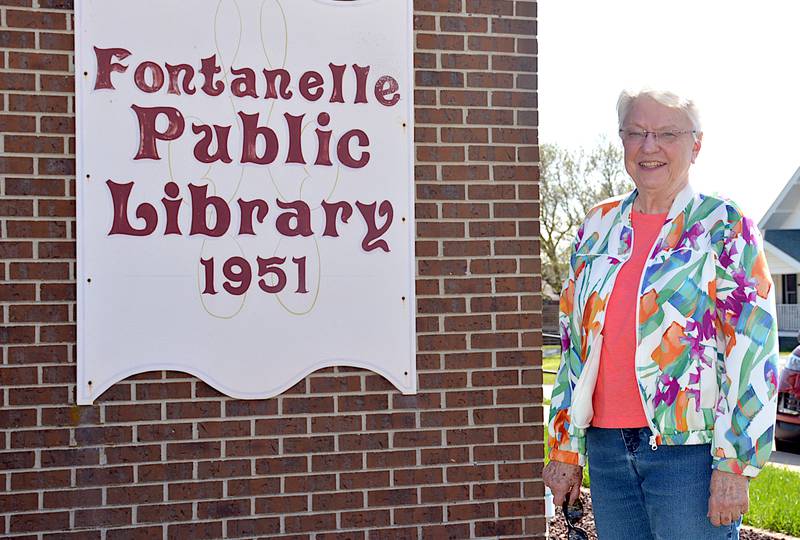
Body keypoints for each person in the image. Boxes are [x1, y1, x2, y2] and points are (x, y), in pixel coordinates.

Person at [543, 88, 779, 539]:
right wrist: (565, 450)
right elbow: (574, 348)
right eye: (636, 133)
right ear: (623, 141)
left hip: (690, 455)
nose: (649, 147)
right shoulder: (597, 227)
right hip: (608, 449)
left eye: (667, 133)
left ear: (696, 144)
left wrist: (735, 463)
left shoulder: (723, 225)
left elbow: (753, 351)